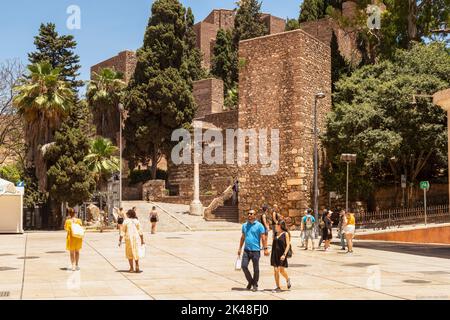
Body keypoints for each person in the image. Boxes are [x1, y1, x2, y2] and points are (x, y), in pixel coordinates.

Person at [237, 209, 269, 292]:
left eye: (251, 214)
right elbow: (243, 237)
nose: (249, 215)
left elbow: (263, 238)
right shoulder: (244, 225)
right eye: (248, 213)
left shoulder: (259, 226)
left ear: (255, 215)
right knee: (244, 266)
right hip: (246, 250)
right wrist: (240, 248)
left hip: (256, 251)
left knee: (256, 269)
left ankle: (255, 284)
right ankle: (251, 281)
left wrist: (265, 249)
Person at [270, 220, 292, 292]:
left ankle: (287, 279)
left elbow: (288, 245)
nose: (275, 226)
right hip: (275, 254)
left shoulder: (285, 234)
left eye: (277, 225)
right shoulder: (275, 233)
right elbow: (274, 244)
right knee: (276, 270)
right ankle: (278, 287)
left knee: (281, 271)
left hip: (282, 254)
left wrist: (284, 254)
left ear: (280, 226)